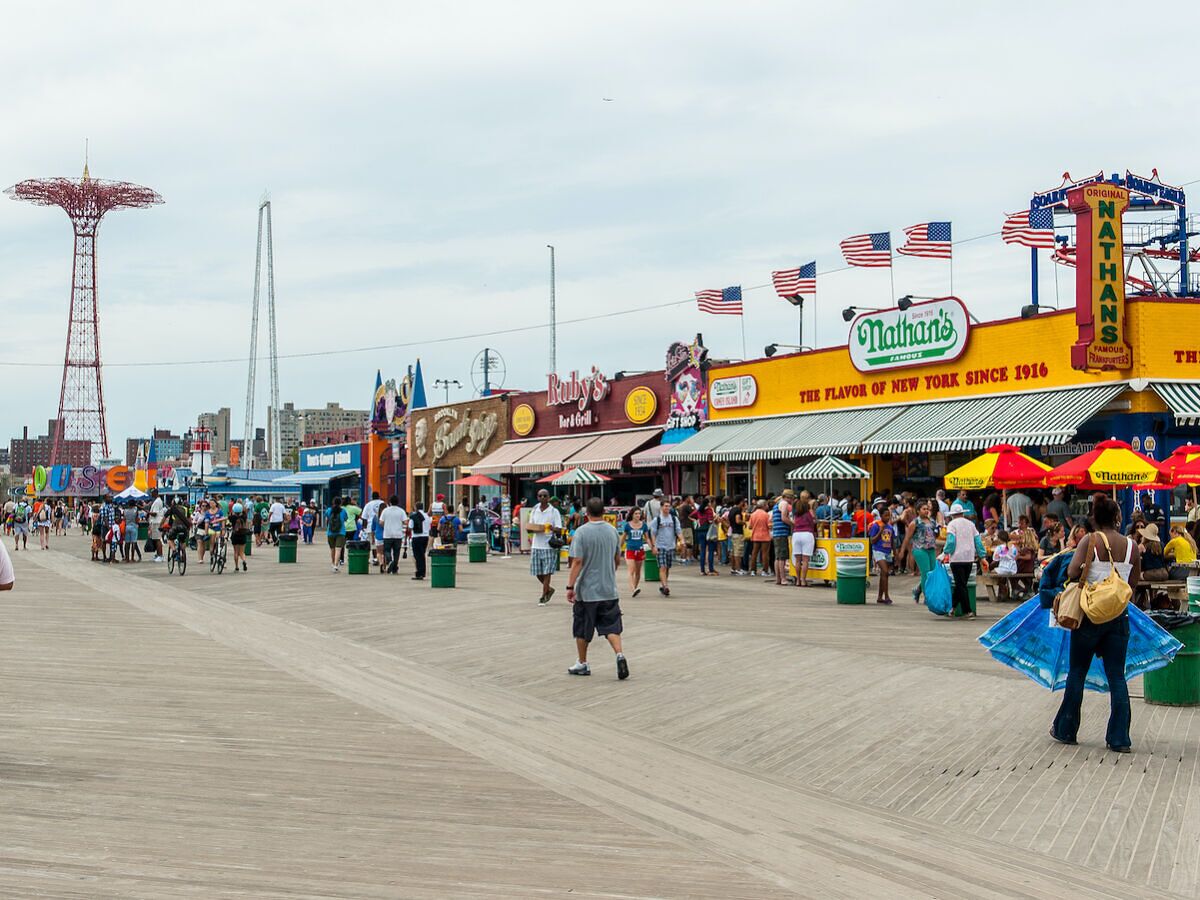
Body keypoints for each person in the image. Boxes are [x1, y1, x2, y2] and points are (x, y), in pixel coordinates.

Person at [1051, 493, 1140, 753]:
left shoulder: (1090, 540)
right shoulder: (1132, 546)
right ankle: (1119, 738)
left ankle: (1066, 729)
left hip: (1089, 616)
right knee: (1117, 676)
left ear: (1095, 519)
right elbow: (1135, 581)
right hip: (1118, 617)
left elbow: (1072, 571)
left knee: (1077, 672)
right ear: (1116, 518)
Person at [565, 497, 629, 680]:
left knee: (582, 628)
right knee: (611, 627)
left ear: (587, 513)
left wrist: (570, 586)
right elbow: (617, 559)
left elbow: (577, 561)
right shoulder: (612, 532)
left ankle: (583, 663)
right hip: (609, 589)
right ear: (604, 512)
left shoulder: (581, 533)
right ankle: (619, 654)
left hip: (587, 592)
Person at [942, 503, 984, 619]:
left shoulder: (952, 525)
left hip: (956, 558)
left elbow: (950, 542)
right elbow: (978, 542)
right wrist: (982, 555)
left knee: (961, 585)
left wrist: (945, 553)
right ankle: (952, 608)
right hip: (969, 558)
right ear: (962, 513)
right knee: (962, 584)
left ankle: (968, 611)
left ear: (952, 515)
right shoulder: (971, 524)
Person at [527, 489, 564, 604]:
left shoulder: (554, 511)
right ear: (537, 497)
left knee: (547, 571)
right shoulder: (534, 510)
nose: (542, 498)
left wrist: (551, 528)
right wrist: (533, 529)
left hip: (548, 544)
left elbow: (559, 529)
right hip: (536, 544)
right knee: (537, 571)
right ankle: (548, 589)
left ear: (549, 498)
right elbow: (530, 526)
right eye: (540, 496)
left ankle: (544, 594)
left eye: (545, 496)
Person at [899, 500, 939, 603]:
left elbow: (934, 535)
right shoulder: (915, 523)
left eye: (927, 509)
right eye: (923, 509)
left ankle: (917, 590)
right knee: (925, 573)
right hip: (919, 549)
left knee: (932, 573)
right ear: (918, 511)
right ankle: (927, 597)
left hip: (931, 549)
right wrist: (902, 551)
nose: (926, 511)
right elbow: (907, 538)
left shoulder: (932, 521)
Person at [649, 499, 682, 597]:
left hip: (670, 546)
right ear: (661, 507)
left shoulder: (674, 519)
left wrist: (682, 540)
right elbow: (653, 534)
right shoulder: (657, 520)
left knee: (667, 567)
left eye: (668, 506)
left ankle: (663, 585)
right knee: (662, 567)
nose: (667, 508)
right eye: (665, 506)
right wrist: (654, 546)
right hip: (660, 546)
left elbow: (678, 531)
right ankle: (666, 586)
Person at [867, 507, 895, 604]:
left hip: (887, 551)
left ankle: (880, 597)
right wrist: (880, 531)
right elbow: (872, 540)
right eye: (885, 515)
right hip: (878, 551)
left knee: (884, 574)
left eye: (889, 515)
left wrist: (895, 553)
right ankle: (886, 596)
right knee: (885, 571)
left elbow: (892, 541)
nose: (887, 517)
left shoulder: (890, 527)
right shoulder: (876, 525)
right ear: (881, 515)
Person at [620, 507, 648, 597]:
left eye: (639, 514)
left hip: (640, 550)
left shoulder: (644, 525)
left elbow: (647, 538)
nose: (637, 515)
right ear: (632, 514)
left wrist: (652, 547)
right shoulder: (627, 525)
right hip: (630, 549)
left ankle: (635, 588)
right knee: (631, 570)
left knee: (638, 572)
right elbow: (623, 538)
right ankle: (633, 588)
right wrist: (618, 549)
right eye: (636, 513)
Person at [379, 495, 408, 574]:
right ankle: (395, 568)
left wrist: (386, 525)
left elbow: (381, 522)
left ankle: (390, 561)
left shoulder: (385, 510)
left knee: (387, 550)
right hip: (398, 534)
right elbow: (406, 522)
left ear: (390, 502)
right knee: (396, 552)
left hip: (387, 534)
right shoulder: (401, 511)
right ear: (398, 502)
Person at [791, 498, 816, 588]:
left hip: (796, 535)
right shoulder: (808, 514)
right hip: (807, 534)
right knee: (805, 560)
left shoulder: (796, 515)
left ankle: (797, 580)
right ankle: (803, 580)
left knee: (798, 560)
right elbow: (813, 523)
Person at [770, 490, 794, 585]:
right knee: (782, 558)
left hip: (776, 532)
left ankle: (778, 578)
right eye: (792, 498)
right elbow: (784, 517)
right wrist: (793, 524)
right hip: (782, 532)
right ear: (788, 497)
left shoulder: (777, 504)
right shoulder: (784, 504)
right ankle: (783, 578)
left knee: (778, 557)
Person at [747, 499, 771, 576]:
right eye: (766, 504)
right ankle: (764, 570)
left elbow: (750, 526)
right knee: (765, 554)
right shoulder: (766, 515)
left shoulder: (753, 514)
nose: (767, 506)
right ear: (763, 506)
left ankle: (753, 570)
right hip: (765, 537)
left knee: (754, 553)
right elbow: (769, 525)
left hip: (755, 536)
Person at [325, 496, 348, 573]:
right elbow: (345, 519)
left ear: (333, 503)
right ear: (340, 503)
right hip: (340, 532)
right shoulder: (343, 511)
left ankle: (333, 564)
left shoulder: (329, 510)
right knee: (338, 549)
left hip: (330, 532)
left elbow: (327, 517)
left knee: (332, 549)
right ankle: (336, 565)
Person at [409, 502, 431, 579]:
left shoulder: (413, 516)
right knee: (422, 554)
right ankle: (422, 571)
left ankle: (420, 572)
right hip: (425, 537)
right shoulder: (427, 516)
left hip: (416, 537)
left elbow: (410, 526)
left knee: (417, 556)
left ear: (415, 507)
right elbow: (429, 527)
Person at [229, 502, 249, 572]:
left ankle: (237, 567)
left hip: (235, 535)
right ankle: (243, 560)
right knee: (242, 552)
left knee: (236, 552)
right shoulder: (244, 516)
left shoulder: (232, 517)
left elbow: (227, 520)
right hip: (242, 535)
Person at [148, 490, 165, 561]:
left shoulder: (157, 502)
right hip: (155, 522)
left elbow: (155, 513)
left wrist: (147, 512)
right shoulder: (157, 501)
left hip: (156, 522)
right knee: (156, 539)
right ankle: (158, 554)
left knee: (158, 539)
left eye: (152, 493)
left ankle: (160, 555)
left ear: (155, 493)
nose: (151, 494)